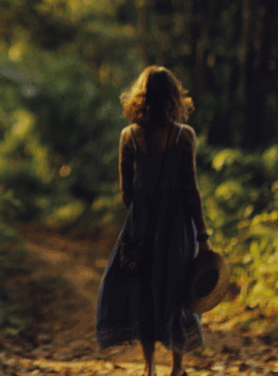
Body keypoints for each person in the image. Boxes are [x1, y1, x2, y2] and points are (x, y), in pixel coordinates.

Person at [95, 66, 213, 376]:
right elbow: (191, 190)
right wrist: (202, 235)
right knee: (178, 293)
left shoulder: (129, 136)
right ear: (174, 97)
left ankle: (149, 369)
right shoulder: (183, 136)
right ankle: (176, 369)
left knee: (144, 294)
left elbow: (126, 190)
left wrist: (140, 218)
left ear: (140, 97)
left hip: (141, 226)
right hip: (178, 229)